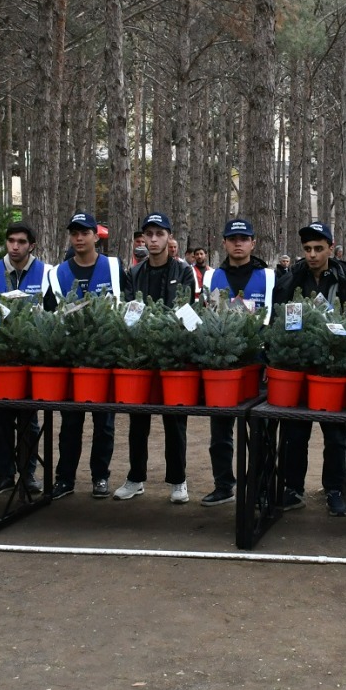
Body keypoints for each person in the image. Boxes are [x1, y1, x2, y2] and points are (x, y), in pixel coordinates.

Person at [272, 221, 346, 515]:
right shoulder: (290, 280)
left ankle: (334, 490)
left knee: (335, 435)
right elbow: (280, 320)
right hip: (298, 367)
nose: (312, 254)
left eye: (318, 249)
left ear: (331, 249)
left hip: (333, 368)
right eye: (307, 249)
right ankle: (293, 489)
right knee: (295, 433)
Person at [115, 211, 201, 504]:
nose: (153, 240)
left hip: (174, 357)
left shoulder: (184, 271)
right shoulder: (135, 273)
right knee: (138, 420)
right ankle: (135, 478)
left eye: (159, 234)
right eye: (148, 235)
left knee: (175, 421)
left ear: (169, 237)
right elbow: (129, 310)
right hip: (141, 357)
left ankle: (178, 481)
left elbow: (188, 311)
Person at [201, 218, 277, 507]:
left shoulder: (269, 276)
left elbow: (277, 317)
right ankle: (224, 485)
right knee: (219, 431)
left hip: (258, 364)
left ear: (253, 242)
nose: (238, 243)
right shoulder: (211, 277)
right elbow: (204, 315)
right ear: (224, 243)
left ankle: (260, 489)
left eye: (243, 238)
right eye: (232, 238)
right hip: (222, 364)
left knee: (261, 432)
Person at [47, 210, 123, 499]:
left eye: (84, 233)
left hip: (104, 356)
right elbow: (51, 313)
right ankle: (65, 478)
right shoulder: (58, 273)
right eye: (74, 233)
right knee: (70, 423)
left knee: (104, 423)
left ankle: (100, 477)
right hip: (71, 356)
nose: (79, 238)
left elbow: (127, 304)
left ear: (95, 236)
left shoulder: (114, 268)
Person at [0, 221, 49, 492]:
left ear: (32, 245)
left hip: (30, 357)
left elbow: (51, 313)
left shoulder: (47, 272)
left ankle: (28, 474)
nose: (15, 246)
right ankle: (4, 475)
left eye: (21, 242)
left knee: (28, 421)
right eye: (11, 241)